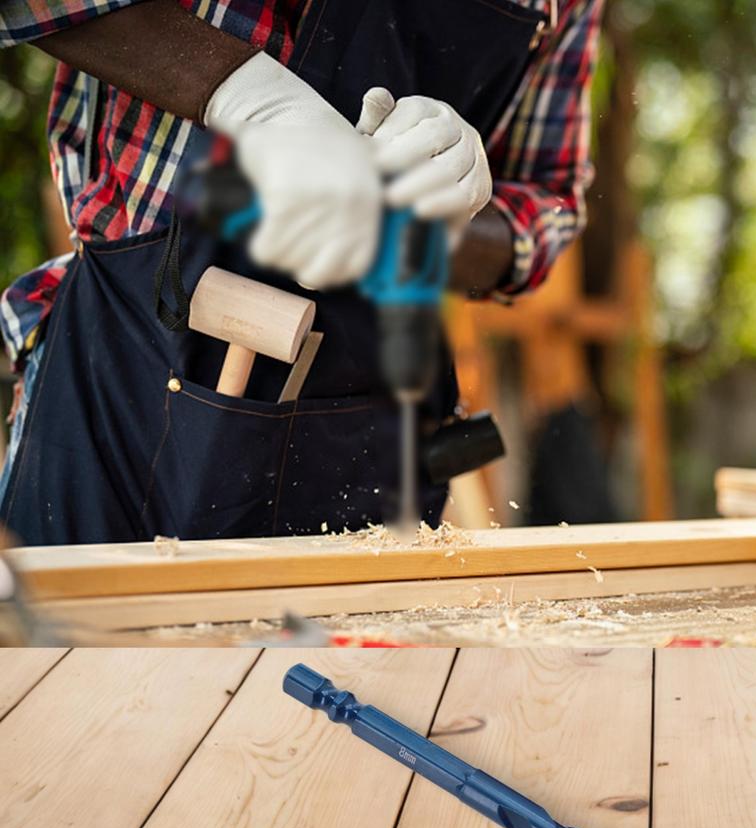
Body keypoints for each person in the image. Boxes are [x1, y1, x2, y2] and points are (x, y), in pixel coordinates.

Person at [0, 0, 601, 545]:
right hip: (124, 390)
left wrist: (444, 221)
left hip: (369, 426)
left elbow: (548, 201)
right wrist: (243, 95)